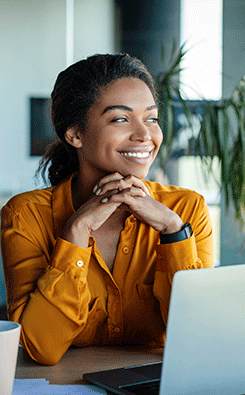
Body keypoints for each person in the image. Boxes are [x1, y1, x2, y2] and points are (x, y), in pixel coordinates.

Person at [1, 53, 213, 366]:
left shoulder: (184, 210)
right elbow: (41, 348)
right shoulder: (26, 215)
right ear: (75, 134)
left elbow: (201, 337)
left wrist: (173, 232)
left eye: (151, 118)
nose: (145, 135)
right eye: (120, 119)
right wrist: (76, 232)